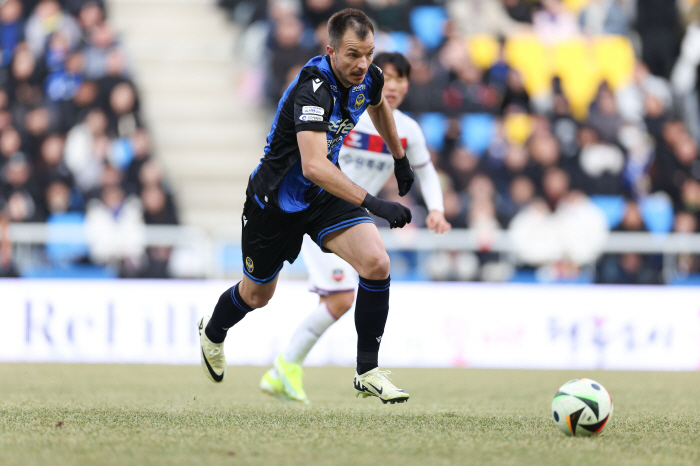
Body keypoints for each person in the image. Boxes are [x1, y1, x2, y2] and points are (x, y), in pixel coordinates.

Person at [198, 9, 416, 404]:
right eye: (352, 54)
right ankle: (212, 331)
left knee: (376, 262)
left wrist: (399, 157)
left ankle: (367, 370)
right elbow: (313, 165)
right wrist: (375, 203)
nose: (362, 64)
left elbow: (379, 103)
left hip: (318, 196)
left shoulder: (370, 75)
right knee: (256, 296)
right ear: (331, 50)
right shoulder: (313, 88)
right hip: (274, 202)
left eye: (368, 54)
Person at [257, 51, 451, 403]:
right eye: (387, 77)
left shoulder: (407, 130)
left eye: (401, 79)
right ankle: (287, 366)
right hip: (320, 208)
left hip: (351, 217)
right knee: (342, 296)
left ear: (407, 86)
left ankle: (285, 368)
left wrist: (436, 208)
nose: (392, 85)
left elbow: (425, 170)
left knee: (348, 293)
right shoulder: (351, 113)